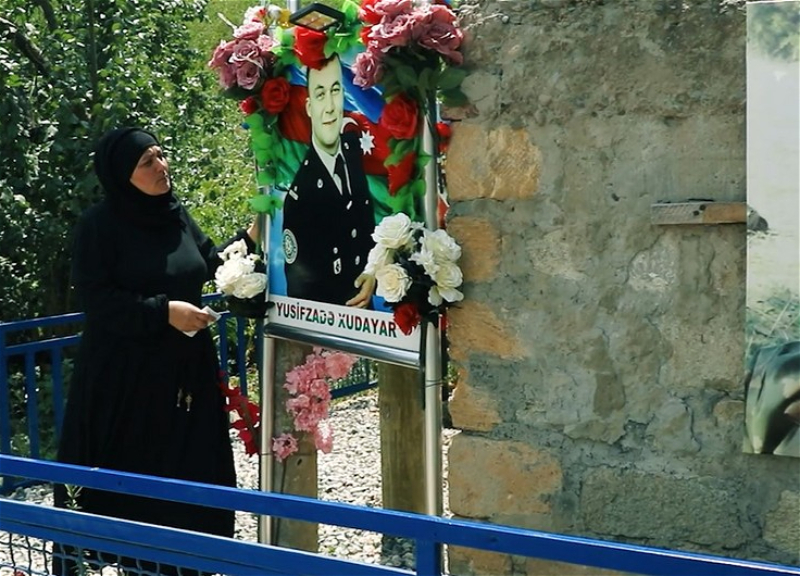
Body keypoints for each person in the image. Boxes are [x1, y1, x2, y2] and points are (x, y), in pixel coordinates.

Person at [52, 127, 258, 576]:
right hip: (127, 385)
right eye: (147, 162)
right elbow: (99, 301)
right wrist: (164, 312)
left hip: (187, 379)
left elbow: (211, 262)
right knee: (138, 489)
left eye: (161, 156)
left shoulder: (175, 215)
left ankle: (192, 564)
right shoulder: (99, 227)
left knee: (192, 479)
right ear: (121, 175)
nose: (161, 167)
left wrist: (252, 236)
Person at [282, 54, 376, 307]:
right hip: (334, 320)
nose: (331, 107)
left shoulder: (352, 151)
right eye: (320, 94)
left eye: (335, 91)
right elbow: (302, 293)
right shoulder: (300, 196)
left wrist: (374, 271)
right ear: (309, 107)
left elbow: (365, 231)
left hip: (368, 315)